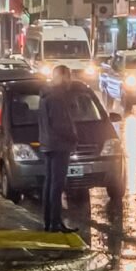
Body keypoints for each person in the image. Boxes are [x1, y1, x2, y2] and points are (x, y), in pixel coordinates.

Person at [38, 64, 79, 233]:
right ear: (61, 77)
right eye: (67, 76)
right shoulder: (57, 97)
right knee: (57, 184)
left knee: (50, 183)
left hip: (49, 143)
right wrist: (73, 137)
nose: (69, 80)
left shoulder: (47, 95)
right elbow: (61, 124)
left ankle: (49, 220)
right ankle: (54, 222)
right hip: (59, 145)